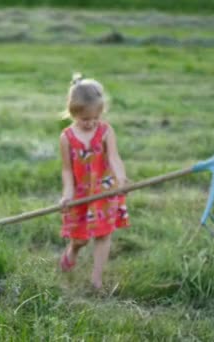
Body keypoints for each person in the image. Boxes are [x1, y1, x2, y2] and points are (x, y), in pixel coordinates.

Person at [59, 73, 130, 290]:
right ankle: (73, 250)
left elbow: (113, 158)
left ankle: (96, 280)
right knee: (80, 238)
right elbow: (67, 170)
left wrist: (120, 177)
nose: (90, 124)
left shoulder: (106, 131)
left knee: (103, 234)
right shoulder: (66, 138)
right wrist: (68, 193)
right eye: (85, 119)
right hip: (80, 193)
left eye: (94, 118)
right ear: (73, 113)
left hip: (104, 191)